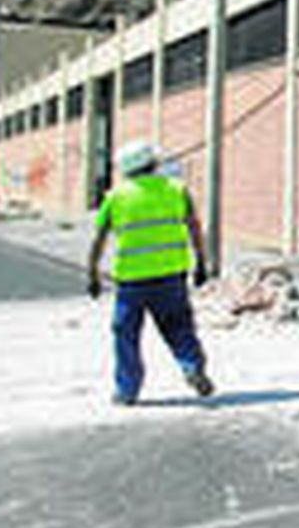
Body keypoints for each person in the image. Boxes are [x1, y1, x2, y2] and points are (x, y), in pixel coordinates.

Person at [87, 140, 215, 406]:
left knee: (126, 334)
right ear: (154, 164)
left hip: (131, 282)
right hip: (171, 275)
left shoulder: (115, 197)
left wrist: (93, 274)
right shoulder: (176, 190)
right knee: (179, 327)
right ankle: (191, 366)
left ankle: (127, 390)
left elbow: (99, 239)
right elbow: (194, 228)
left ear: (124, 169)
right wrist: (201, 262)